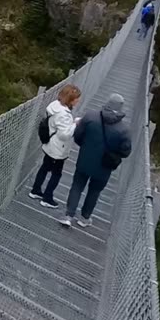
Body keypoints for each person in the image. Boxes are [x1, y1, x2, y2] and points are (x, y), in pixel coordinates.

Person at [61, 93, 133, 227]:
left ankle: (68, 215)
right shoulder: (124, 130)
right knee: (94, 191)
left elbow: (78, 135)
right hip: (104, 167)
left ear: (107, 103)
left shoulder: (90, 116)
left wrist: (86, 146)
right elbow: (125, 152)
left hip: (85, 160)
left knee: (77, 186)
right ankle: (84, 218)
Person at [29, 84, 82, 209]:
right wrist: (75, 124)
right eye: (76, 99)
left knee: (45, 167)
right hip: (58, 148)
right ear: (71, 99)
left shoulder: (54, 106)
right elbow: (65, 134)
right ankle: (47, 198)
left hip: (50, 144)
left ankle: (35, 190)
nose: (78, 101)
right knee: (57, 173)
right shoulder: (64, 114)